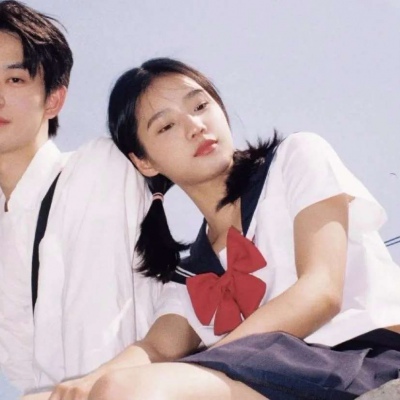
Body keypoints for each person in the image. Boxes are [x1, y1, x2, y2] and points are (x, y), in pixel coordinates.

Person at [41, 57, 400, 400]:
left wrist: (213, 360)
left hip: (368, 358)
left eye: (200, 106)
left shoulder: (295, 157)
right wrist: (87, 383)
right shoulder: (189, 274)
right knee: (114, 390)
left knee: (128, 390)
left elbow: (320, 290)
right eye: (166, 126)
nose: (195, 126)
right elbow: (155, 349)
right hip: (278, 380)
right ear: (145, 162)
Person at [0, 1, 158, 395]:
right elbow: (27, 377)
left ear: (53, 99)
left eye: (14, 80)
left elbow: (101, 334)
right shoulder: (8, 224)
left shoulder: (95, 168)